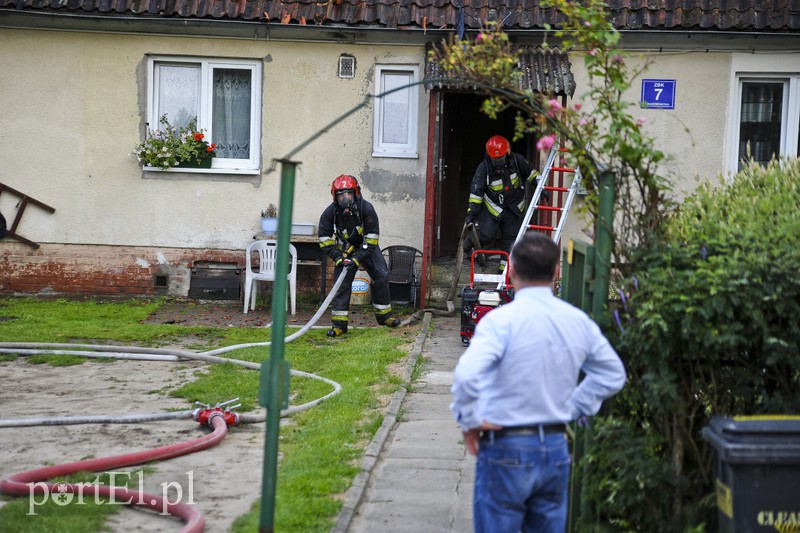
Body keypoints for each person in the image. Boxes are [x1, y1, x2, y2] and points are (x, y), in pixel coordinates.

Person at [450, 231, 627, 533]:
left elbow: (467, 375)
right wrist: (574, 406)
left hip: (505, 446)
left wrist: (470, 421)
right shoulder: (576, 320)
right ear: (556, 271)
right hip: (555, 449)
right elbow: (612, 373)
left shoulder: (498, 322)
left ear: (513, 270)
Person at [318, 174, 401, 337]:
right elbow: (324, 238)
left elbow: (372, 239)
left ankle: (385, 317)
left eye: (349, 193)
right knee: (341, 283)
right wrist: (338, 257)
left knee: (382, 275)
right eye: (341, 195)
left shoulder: (366, 208)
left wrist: (357, 257)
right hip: (344, 250)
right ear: (335, 196)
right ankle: (339, 325)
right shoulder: (330, 213)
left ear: (356, 193)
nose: (345, 198)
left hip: (366, 247)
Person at [464, 134, 542, 273]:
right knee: (486, 235)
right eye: (495, 159)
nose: (498, 162)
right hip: (493, 209)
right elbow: (476, 193)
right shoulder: (484, 168)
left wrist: (541, 187)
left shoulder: (517, 161)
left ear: (508, 152)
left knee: (510, 240)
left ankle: (504, 271)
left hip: (514, 208)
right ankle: (469, 242)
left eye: (500, 158)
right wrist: (471, 213)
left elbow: (532, 173)